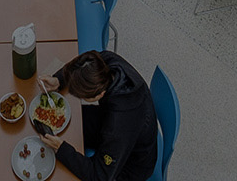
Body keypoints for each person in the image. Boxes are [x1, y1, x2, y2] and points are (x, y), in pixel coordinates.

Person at [33, 50, 160, 181]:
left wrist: (61, 149)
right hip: (115, 122)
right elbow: (80, 62)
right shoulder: (106, 62)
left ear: (99, 95)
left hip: (130, 166)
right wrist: (59, 80)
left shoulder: (118, 126)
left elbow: (99, 177)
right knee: (74, 120)